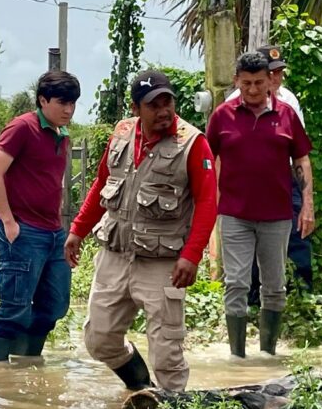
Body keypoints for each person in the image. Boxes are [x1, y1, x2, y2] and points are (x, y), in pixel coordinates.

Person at [64, 70, 216, 391]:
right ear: (136, 109)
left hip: (163, 262)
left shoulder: (192, 143)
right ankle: (140, 388)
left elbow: (207, 203)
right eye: (153, 105)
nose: (163, 111)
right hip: (116, 255)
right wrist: (78, 230)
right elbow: (102, 183)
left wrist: (192, 256)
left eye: (167, 102)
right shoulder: (122, 133)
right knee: (99, 339)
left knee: (167, 352)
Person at [207, 49, 315, 357]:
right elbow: (207, 160)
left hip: (277, 215)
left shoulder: (287, 115)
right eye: (246, 83)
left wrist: (307, 205)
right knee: (236, 284)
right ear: (236, 81)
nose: (253, 90)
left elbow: (302, 160)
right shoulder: (222, 116)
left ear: (270, 80)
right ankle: (237, 357)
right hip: (234, 214)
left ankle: (268, 353)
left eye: (258, 82)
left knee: (274, 286)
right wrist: (206, 206)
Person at [0, 70, 81, 362]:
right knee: (14, 307)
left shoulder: (62, 135)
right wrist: (9, 222)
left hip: (53, 233)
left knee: (55, 305)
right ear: (42, 100)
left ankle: (25, 364)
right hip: (23, 231)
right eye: (62, 102)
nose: (68, 110)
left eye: (72, 103)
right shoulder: (22, 127)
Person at [228, 52, 314, 301]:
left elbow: (300, 154)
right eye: (272, 72)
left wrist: (307, 200)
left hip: (284, 179)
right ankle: (254, 299)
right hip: (248, 183)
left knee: (298, 235)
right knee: (252, 241)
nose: (277, 77)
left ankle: (301, 296)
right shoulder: (233, 104)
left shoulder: (289, 101)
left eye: (279, 72)